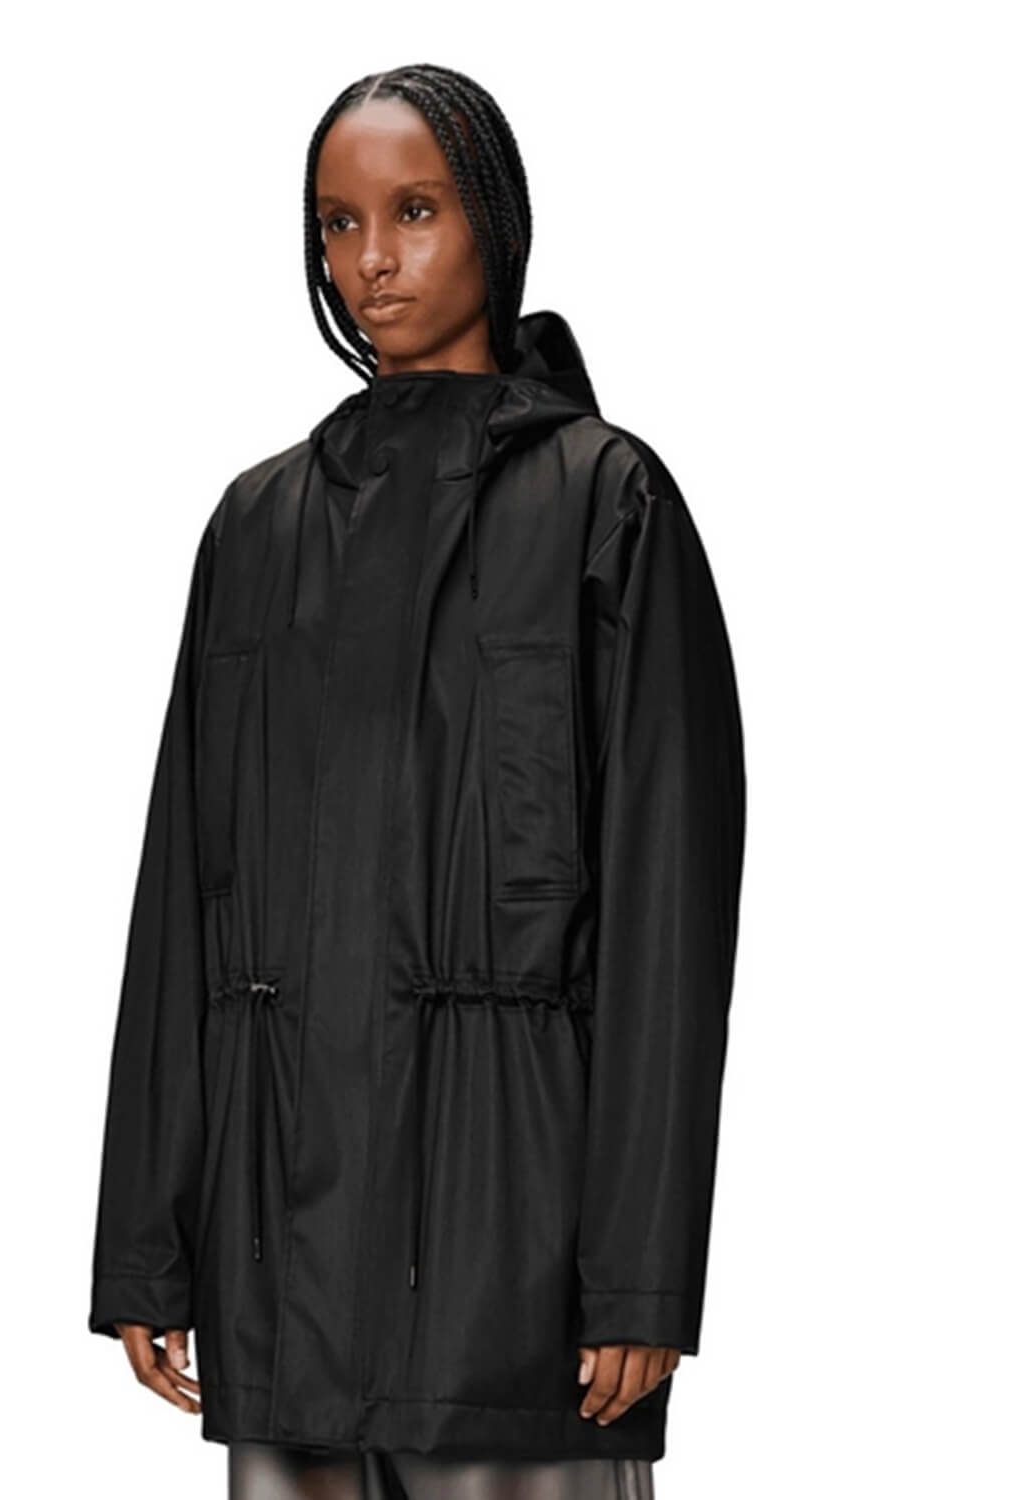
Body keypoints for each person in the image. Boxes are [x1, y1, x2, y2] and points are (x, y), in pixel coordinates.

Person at [88, 62, 746, 1500]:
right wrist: (146, 1237)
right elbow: (180, 899)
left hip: (513, 1267)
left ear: (494, 222)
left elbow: (670, 908)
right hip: (280, 1263)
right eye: (339, 223)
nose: (372, 259)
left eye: (416, 211)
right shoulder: (257, 526)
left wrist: (641, 1275)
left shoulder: (606, 501)